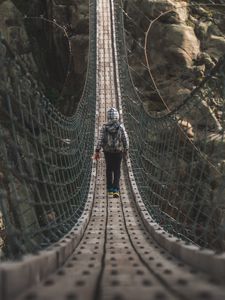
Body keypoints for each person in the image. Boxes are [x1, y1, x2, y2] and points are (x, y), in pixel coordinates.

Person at [94, 107, 129, 197]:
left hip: (108, 151)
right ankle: (116, 189)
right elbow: (125, 139)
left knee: (109, 169)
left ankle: (109, 189)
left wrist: (97, 150)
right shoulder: (121, 127)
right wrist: (126, 149)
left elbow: (100, 139)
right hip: (118, 151)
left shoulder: (104, 127)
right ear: (117, 116)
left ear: (108, 117)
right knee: (117, 170)